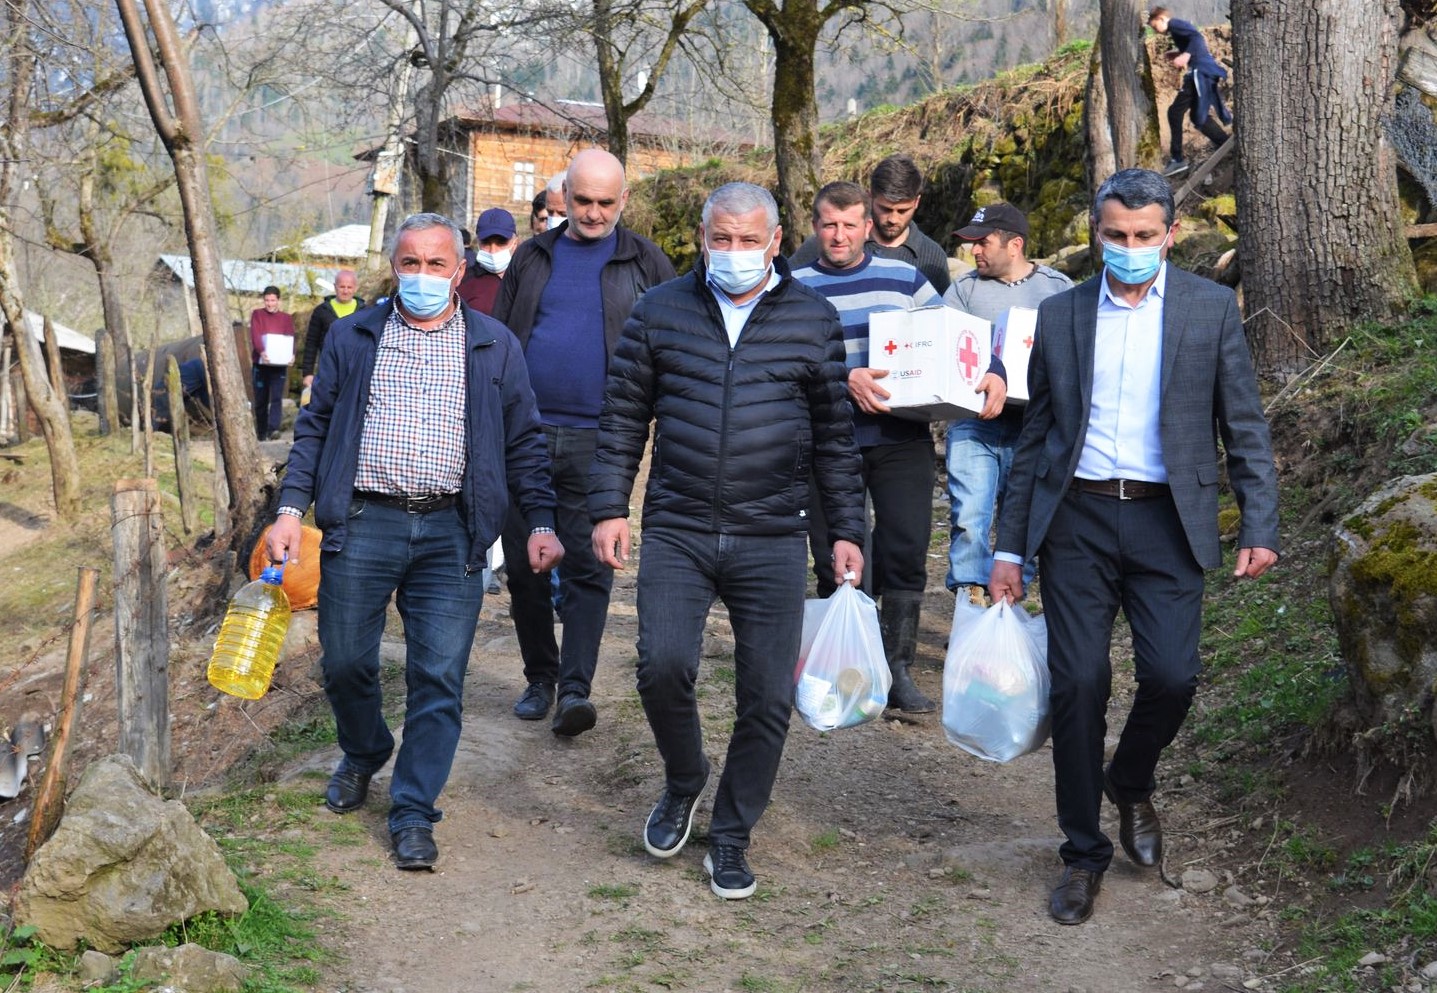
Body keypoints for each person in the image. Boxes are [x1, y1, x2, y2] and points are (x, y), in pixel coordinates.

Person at [988, 169, 1279, 925]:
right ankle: (1082, 854)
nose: (1128, 249)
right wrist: (1008, 547)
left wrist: (1258, 524)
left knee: (1173, 676)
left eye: (1144, 236)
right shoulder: (1058, 316)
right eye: (1115, 236)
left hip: (1167, 522)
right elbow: (1035, 441)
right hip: (1077, 520)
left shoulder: (1209, 310)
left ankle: (1131, 777)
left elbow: (1242, 425)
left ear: (1169, 234)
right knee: (1078, 684)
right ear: (1096, 232)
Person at [590, 181, 865, 900]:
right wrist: (609, 507)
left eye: (749, 241)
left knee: (766, 696)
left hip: (772, 532)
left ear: (775, 242)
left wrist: (844, 530)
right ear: (702, 239)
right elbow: (622, 417)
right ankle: (684, 778)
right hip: (679, 526)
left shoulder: (812, 318)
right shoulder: (659, 312)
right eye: (722, 239)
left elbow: (835, 438)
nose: (734, 253)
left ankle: (732, 831)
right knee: (661, 665)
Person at [265, 212, 563, 871]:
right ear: (392, 269)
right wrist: (290, 507)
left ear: (459, 271)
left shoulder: (493, 345)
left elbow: (524, 443)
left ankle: (411, 809)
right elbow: (313, 430)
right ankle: (366, 748)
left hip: (451, 530)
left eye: (436, 264)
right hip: (364, 521)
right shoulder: (353, 336)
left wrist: (539, 521)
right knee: (344, 661)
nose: (423, 276)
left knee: (437, 675)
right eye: (410, 263)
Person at [492, 148, 676, 736]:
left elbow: (676, 346)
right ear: (562, 200)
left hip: (605, 436)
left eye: (605, 202)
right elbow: (497, 339)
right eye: (582, 201)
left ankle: (575, 687)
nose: (593, 213)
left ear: (623, 200)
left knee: (589, 564)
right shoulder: (531, 257)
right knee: (525, 565)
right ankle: (540, 675)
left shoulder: (647, 262)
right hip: (525, 433)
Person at [790, 180, 947, 713]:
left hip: (901, 437)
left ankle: (897, 669)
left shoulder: (906, 277)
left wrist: (991, 374)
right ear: (815, 227)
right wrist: (844, 379)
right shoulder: (792, 284)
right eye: (829, 225)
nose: (839, 235)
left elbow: (949, 338)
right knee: (835, 553)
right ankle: (841, 667)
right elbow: (781, 365)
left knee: (905, 547)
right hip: (825, 440)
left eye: (850, 224)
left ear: (867, 226)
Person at [943, 203, 1072, 605]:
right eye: (971, 244)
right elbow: (947, 349)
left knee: (1026, 516)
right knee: (969, 517)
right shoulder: (963, 289)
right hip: (974, 422)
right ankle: (970, 602)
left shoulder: (1057, 289)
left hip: (1035, 428)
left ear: (1015, 244)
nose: (973, 252)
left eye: (983, 243)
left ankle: (1009, 602)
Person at [789, 154, 951, 294]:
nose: (893, 219)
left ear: (917, 202)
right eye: (885, 209)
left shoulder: (932, 255)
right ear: (870, 196)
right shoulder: (826, 244)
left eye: (902, 211)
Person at [1148, 6, 1231, 178]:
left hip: (1200, 72)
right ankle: (1225, 144)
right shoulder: (1175, 30)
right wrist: (1178, 52)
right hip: (1202, 71)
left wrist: (1185, 56)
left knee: (1174, 112)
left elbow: (1196, 37)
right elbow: (1194, 43)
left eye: (1155, 26)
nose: (1155, 31)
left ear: (1162, 18)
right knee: (1197, 117)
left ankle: (1177, 158)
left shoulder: (1175, 24)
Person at [301, 270, 362, 390]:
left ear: (355, 288)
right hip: (327, 370)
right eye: (342, 287)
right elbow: (311, 343)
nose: (345, 291)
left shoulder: (364, 312)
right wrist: (307, 373)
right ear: (335, 287)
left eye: (349, 287)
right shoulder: (321, 311)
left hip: (355, 372)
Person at [250, 285, 294, 440]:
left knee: (276, 398)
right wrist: (262, 351)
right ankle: (261, 432)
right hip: (261, 364)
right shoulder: (257, 315)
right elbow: (255, 335)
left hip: (278, 365)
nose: (269, 303)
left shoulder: (286, 318)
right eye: (267, 300)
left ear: (278, 300)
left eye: (273, 300)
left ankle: (273, 429)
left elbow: (289, 338)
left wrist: (291, 355)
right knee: (261, 399)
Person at [458, 208, 517, 315]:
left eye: (501, 242)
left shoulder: (525, 280)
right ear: (478, 242)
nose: (493, 250)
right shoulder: (462, 281)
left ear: (515, 243)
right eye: (486, 242)